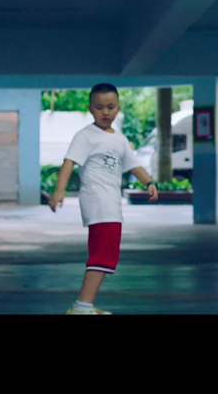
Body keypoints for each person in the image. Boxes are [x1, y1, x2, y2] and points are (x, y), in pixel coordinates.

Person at [48, 83, 159, 315]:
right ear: (90, 109)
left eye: (110, 107)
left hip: (111, 205)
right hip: (98, 203)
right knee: (102, 256)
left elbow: (134, 165)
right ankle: (82, 307)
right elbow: (69, 162)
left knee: (104, 255)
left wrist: (149, 182)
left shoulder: (119, 139)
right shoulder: (85, 136)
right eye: (99, 108)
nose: (105, 112)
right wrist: (59, 191)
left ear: (118, 107)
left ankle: (85, 305)